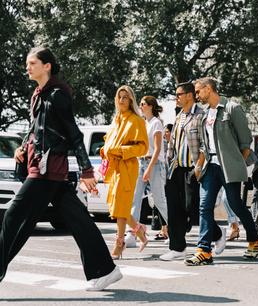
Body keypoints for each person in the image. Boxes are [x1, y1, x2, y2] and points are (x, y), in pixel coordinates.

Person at [0, 47, 121, 291]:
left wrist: (87, 171)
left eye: (32, 63)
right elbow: (37, 129)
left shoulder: (57, 95)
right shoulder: (38, 94)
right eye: (27, 63)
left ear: (47, 66)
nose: (28, 67)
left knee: (14, 216)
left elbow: (74, 134)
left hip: (47, 169)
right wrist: (23, 146)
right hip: (44, 168)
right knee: (78, 220)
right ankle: (105, 270)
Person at [184, 77, 258, 266]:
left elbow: (246, 142)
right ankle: (204, 251)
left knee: (236, 205)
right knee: (204, 206)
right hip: (210, 165)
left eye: (198, 91)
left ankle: (254, 240)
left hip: (229, 166)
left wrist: (237, 163)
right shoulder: (204, 114)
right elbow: (204, 144)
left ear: (209, 89)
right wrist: (198, 165)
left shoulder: (231, 109)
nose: (196, 95)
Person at [160, 81, 215, 261]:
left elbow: (204, 145)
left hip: (192, 169)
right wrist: (169, 164)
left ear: (189, 95)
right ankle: (177, 248)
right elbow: (172, 144)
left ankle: (217, 234)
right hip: (176, 169)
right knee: (174, 209)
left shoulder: (201, 116)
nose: (176, 98)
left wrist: (198, 167)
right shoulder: (179, 116)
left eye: (179, 94)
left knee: (192, 208)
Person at [101, 85, 149, 260]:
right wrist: (104, 150)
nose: (121, 100)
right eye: (119, 97)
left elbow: (143, 147)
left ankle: (119, 244)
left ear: (131, 100)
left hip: (128, 168)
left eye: (125, 97)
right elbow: (109, 141)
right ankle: (140, 232)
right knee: (118, 207)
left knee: (120, 207)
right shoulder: (116, 120)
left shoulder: (136, 120)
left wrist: (121, 151)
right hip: (114, 168)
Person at [125, 96, 168, 247]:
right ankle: (132, 234)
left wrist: (149, 168)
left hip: (154, 164)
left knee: (159, 200)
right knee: (135, 199)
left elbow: (157, 149)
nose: (140, 106)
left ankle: (175, 229)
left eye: (143, 104)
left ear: (150, 106)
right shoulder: (143, 123)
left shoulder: (156, 123)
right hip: (141, 162)